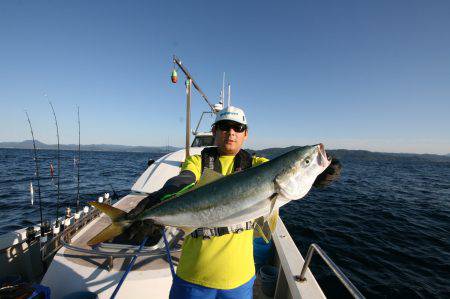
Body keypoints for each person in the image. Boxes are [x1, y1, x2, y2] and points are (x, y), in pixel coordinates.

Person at [127, 106, 341, 299]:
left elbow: (290, 177)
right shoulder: (198, 161)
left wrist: (314, 174)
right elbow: (184, 179)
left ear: (245, 134)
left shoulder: (258, 165)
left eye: (238, 128)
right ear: (214, 131)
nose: (231, 133)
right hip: (193, 276)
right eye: (224, 127)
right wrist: (160, 198)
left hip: (239, 279)